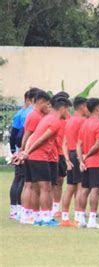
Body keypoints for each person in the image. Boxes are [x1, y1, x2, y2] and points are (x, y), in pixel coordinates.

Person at [18, 96, 72, 227]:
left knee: (36, 189)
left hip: (33, 157)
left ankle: (37, 218)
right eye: (68, 110)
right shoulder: (55, 122)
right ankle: (47, 218)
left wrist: (26, 152)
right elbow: (41, 139)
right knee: (46, 188)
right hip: (39, 157)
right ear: (62, 108)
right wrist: (27, 152)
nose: (68, 113)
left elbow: (32, 136)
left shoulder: (46, 118)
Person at [17, 90, 50, 224]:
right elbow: (27, 135)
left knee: (29, 184)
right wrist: (23, 151)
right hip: (31, 153)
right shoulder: (35, 116)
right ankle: (26, 214)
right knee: (30, 185)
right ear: (40, 102)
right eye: (47, 104)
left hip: (29, 153)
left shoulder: (36, 115)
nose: (48, 106)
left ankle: (26, 214)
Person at [76, 98, 99, 229]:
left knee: (84, 189)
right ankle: (92, 220)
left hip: (86, 163)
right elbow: (98, 144)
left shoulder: (84, 124)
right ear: (98, 108)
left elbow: (78, 144)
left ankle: (81, 219)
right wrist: (87, 155)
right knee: (95, 190)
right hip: (97, 162)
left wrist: (81, 160)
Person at [60, 96, 88, 227]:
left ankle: (65, 217)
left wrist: (66, 159)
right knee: (81, 187)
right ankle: (78, 217)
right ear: (82, 107)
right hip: (78, 155)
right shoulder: (83, 121)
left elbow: (64, 143)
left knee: (70, 187)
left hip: (70, 155)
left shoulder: (69, 121)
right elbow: (82, 143)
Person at [8, 89, 35, 219]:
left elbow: (13, 134)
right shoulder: (32, 113)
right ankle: (20, 209)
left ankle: (14, 209)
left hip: (19, 149)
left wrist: (13, 151)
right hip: (27, 150)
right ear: (30, 100)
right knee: (25, 181)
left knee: (18, 178)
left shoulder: (19, 113)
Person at [52, 92, 70, 219]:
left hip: (62, 154)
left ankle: (56, 208)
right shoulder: (51, 118)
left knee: (60, 181)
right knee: (48, 183)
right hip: (51, 153)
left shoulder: (68, 118)